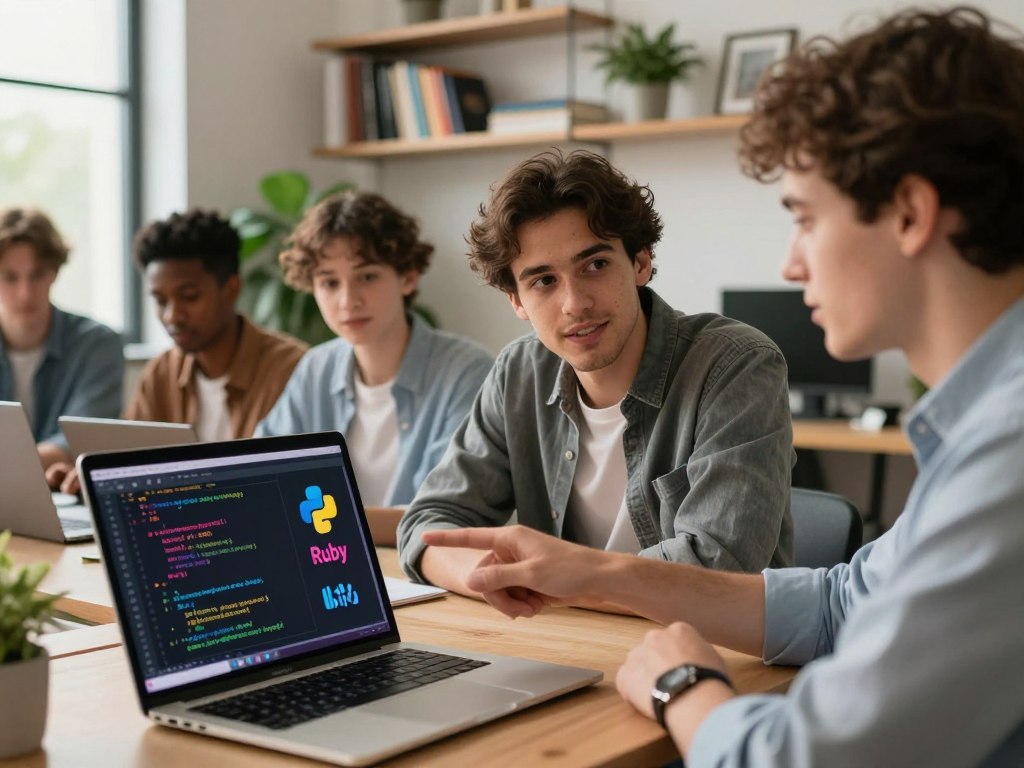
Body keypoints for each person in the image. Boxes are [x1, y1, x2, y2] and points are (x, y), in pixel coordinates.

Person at [421, 7, 1024, 766]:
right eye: (542, 280)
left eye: (805, 218)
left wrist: (681, 685)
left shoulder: (1006, 455)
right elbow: (841, 602)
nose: (790, 263)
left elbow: (802, 759)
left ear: (910, 213)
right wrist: (589, 571)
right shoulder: (984, 430)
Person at [398, 149, 794, 598]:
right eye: (543, 281)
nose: (575, 304)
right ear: (517, 301)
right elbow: (428, 525)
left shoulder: (735, 364)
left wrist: (556, 579)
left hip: (703, 639)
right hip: (567, 633)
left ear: (640, 262)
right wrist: (489, 578)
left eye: (595, 265)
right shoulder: (519, 374)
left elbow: (719, 566)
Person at [255, 191, 493, 508]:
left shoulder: (467, 371)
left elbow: (449, 511)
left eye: (367, 277)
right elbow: (261, 476)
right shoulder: (316, 368)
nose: (348, 301)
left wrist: (334, 519)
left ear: (408, 278)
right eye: (329, 283)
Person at [124, 208, 307, 439]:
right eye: (160, 301)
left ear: (231, 289)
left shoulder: (293, 370)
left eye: (189, 296)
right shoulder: (161, 375)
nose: (172, 316)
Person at [0, 207, 123, 469]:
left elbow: (85, 435)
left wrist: (15, 467)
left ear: (54, 272)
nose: (25, 293)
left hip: (67, 490)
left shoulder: (97, 344)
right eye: (10, 278)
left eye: (37, 275)